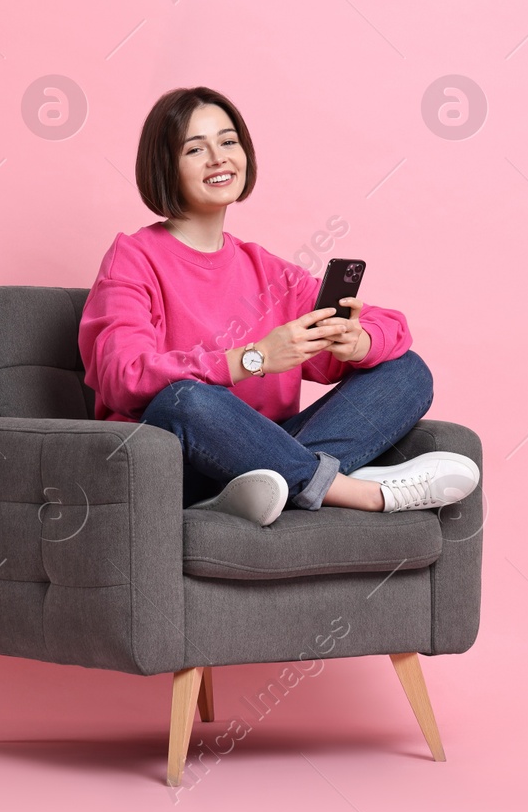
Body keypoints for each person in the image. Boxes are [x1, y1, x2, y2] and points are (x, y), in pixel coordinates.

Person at [77, 86, 480, 527]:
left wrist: (357, 342)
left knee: (406, 372)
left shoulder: (267, 271)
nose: (218, 158)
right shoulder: (133, 258)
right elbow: (123, 375)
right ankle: (358, 493)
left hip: (267, 458)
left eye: (228, 142)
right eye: (196, 149)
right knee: (185, 400)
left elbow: (392, 328)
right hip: (182, 462)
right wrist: (254, 359)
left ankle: (278, 485)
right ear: (165, 166)